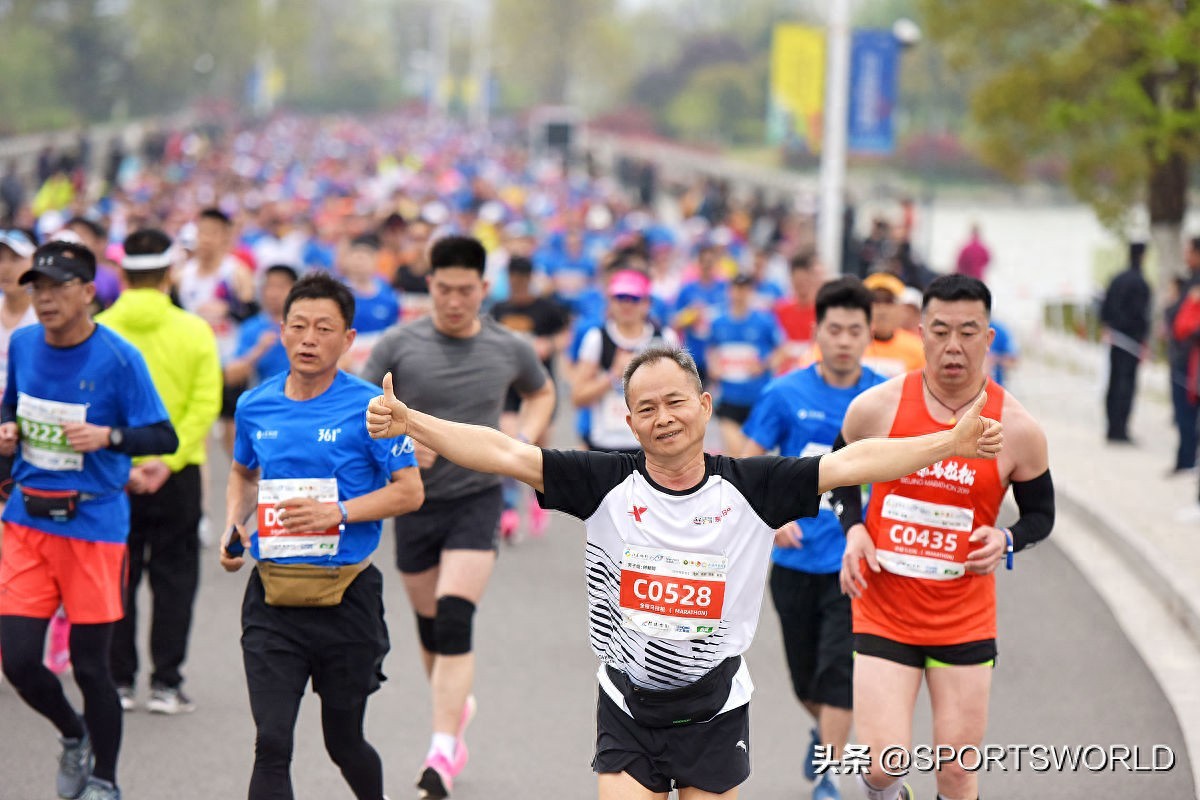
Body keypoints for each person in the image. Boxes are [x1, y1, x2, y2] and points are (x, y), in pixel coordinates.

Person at [365, 344, 1001, 800]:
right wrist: (411, 421)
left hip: (714, 707)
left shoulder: (755, 487)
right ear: (630, 422)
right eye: (646, 408)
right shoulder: (602, 482)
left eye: (675, 401)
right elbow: (504, 452)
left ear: (703, 404)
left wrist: (950, 442)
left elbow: (853, 462)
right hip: (627, 704)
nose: (663, 417)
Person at [835, 274, 1053, 800]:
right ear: (921, 332)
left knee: (956, 774)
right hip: (884, 606)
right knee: (882, 764)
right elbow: (838, 475)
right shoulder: (878, 407)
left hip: (963, 618)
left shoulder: (1018, 428)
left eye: (968, 332)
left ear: (988, 337)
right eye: (940, 330)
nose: (954, 345)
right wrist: (855, 528)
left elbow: (1041, 515)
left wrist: (1007, 540)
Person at [361, 235, 556, 799]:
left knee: (452, 618)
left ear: (484, 288)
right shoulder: (398, 343)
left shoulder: (509, 346)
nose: (452, 300)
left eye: (464, 290)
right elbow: (361, 409)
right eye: (443, 289)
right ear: (430, 285)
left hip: (477, 497)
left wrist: (522, 441)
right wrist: (399, 445)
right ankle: (453, 706)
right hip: (415, 501)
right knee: (430, 627)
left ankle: (442, 750)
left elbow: (541, 393)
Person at [218, 272, 424, 800]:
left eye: (324, 328)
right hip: (272, 597)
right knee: (271, 743)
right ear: (281, 330)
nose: (309, 339)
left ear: (348, 338)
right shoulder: (255, 405)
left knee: (344, 741)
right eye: (298, 326)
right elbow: (243, 472)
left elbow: (409, 492)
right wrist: (234, 523)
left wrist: (336, 513)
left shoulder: (371, 408)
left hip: (346, 597)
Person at [0, 240, 179, 800]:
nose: (44, 299)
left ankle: (105, 780)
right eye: (37, 288)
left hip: (93, 527)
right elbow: (11, 406)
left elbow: (163, 436)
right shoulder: (23, 344)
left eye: (57, 288)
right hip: (27, 521)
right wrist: (7, 431)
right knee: (19, 660)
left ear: (86, 293)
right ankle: (73, 733)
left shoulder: (120, 358)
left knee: (91, 667)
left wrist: (109, 437)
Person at [740, 277, 885, 800]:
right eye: (834, 329)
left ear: (869, 333)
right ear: (817, 331)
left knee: (838, 674)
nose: (844, 340)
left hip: (855, 563)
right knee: (806, 681)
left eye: (855, 330)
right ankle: (824, 734)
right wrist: (772, 517)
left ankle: (829, 777)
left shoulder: (884, 398)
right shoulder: (784, 393)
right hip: (795, 562)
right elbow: (747, 466)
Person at [95, 229, 222, 714]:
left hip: (113, 470)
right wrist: (166, 459)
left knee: (117, 575)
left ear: (122, 273)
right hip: (177, 473)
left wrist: (128, 459)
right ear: (170, 273)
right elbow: (204, 404)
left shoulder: (100, 329)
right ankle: (167, 683)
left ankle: (119, 681)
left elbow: (93, 403)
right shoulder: (194, 330)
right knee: (175, 578)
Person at [490, 255, 569, 538]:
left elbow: (564, 334)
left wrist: (548, 344)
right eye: (514, 280)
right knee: (511, 442)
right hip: (510, 386)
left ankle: (538, 501)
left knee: (538, 448)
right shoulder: (499, 309)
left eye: (522, 280)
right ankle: (509, 507)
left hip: (540, 386)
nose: (518, 285)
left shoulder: (546, 308)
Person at [572, 269, 679, 454]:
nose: (626, 305)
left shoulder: (665, 339)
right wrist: (613, 375)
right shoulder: (597, 338)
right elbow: (578, 397)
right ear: (610, 302)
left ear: (647, 303)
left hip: (652, 445)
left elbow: (680, 395)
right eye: (620, 298)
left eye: (634, 298)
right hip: (606, 446)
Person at [707, 273, 783, 455]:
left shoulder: (764, 321)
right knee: (736, 454)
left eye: (744, 289)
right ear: (729, 291)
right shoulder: (718, 322)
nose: (739, 294)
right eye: (736, 288)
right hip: (729, 398)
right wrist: (713, 367)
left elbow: (782, 350)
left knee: (752, 459)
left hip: (757, 398)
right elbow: (711, 349)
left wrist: (763, 365)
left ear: (750, 292)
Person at [1099, 242, 1151, 444]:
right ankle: (1120, 429)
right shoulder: (1140, 283)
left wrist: (1108, 326)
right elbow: (1142, 315)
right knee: (1126, 385)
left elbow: (1105, 308)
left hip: (1115, 338)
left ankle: (1112, 427)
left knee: (1114, 382)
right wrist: (1144, 339)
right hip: (1131, 341)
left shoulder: (1117, 279)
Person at [860, 273, 924, 378]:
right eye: (875, 300)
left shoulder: (917, 349)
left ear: (901, 308)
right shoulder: (849, 345)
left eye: (889, 301)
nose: (882, 309)